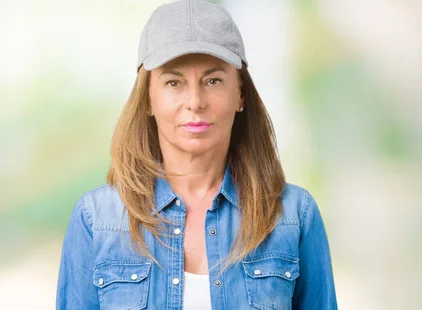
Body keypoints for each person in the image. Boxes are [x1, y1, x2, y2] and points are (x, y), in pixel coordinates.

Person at [55, 0, 337, 309]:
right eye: (174, 82)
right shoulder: (97, 219)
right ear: (148, 98)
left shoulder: (294, 216)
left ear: (240, 93)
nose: (194, 101)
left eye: (213, 81)